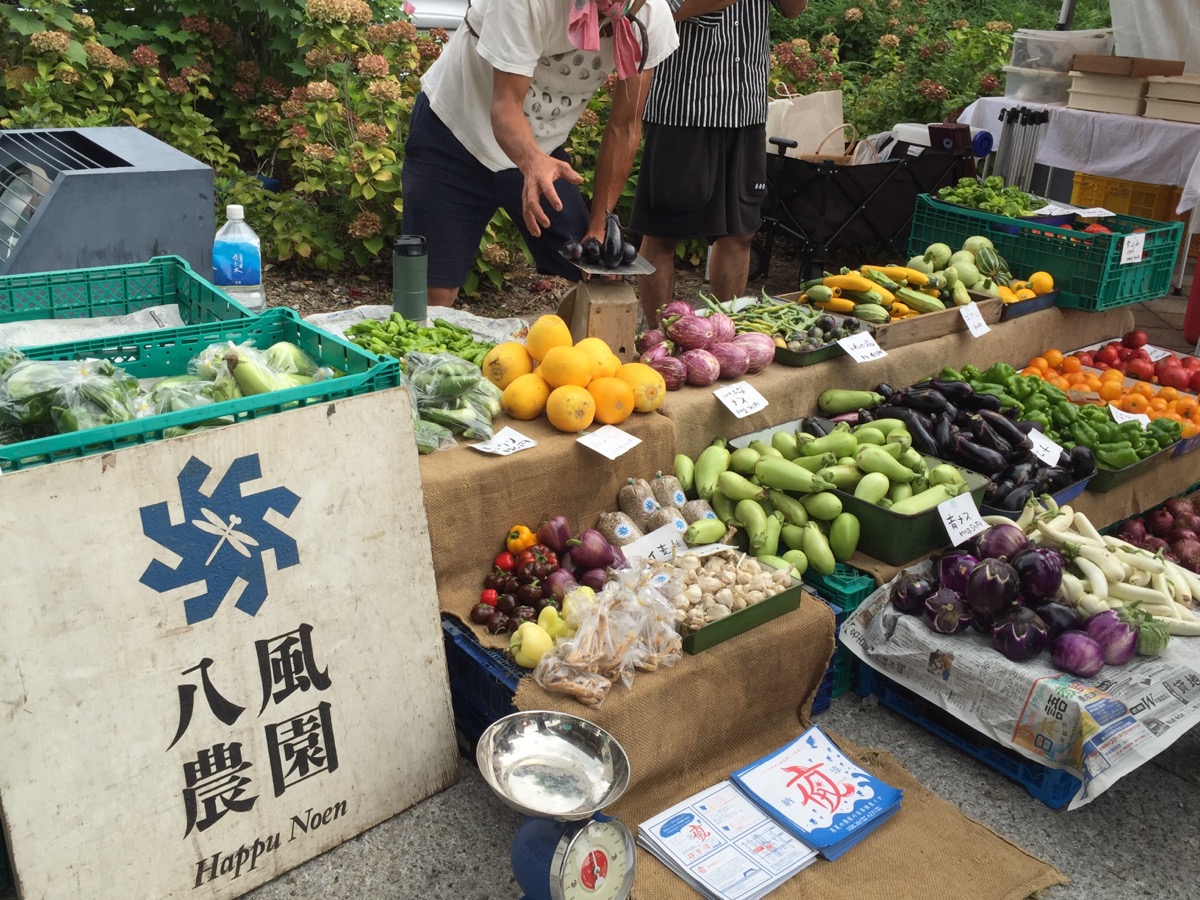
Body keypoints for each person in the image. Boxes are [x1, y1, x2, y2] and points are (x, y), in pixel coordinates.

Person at [401, 0, 680, 308]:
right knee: (431, 297)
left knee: (597, 269)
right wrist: (532, 161)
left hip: (543, 154)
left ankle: (571, 354)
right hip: (454, 134)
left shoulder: (651, 17)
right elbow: (505, 104)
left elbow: (624, 127)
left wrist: (599, 227)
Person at [631, 0, 808, 326]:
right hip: (684, 107)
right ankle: (657, 337)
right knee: (662, 231)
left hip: (747, 107)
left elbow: (793, 10)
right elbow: (667, 9)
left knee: (740, 233)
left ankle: (725, 336)